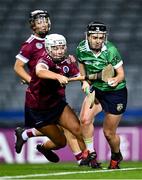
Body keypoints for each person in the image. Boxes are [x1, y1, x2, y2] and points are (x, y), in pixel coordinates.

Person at [14, 9, 83, 164]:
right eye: (39, 21)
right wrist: (31, 79)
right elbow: (18, 67)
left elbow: (60, 59)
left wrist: (69, 59)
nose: (44, 24)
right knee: (59, 132)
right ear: (32, 25)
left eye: (46, 20)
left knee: (70, 126)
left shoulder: (53, 40)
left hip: (57, 92)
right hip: (41, 95)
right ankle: (79, 157)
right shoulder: (29, 45)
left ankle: (81, 158)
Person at [20, 33, 93, 165]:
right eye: (55, 48)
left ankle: (89, 160)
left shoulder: (67, 61)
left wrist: (86, 84)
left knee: (78, 130)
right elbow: (40, 71)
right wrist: (58, 76)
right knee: (61, 142)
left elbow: (78, 76)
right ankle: (43, 148)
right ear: (48, 48)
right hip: (38, 109)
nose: (59, 51)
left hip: (57, 104)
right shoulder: (43, 60)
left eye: (61, 47)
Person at [76, 21, 127, 169]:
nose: (98, 41)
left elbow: (121, 75)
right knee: (85, 120)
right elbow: (82, 72)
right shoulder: (81, 48)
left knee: (109, 133)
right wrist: (84, 83)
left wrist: (115, 79)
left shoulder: (111, 50)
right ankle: (91, 153)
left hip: (115, 93)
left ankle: (116, 155)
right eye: (94, 37)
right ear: (88, 36)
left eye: (101, 37)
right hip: (96, 89)